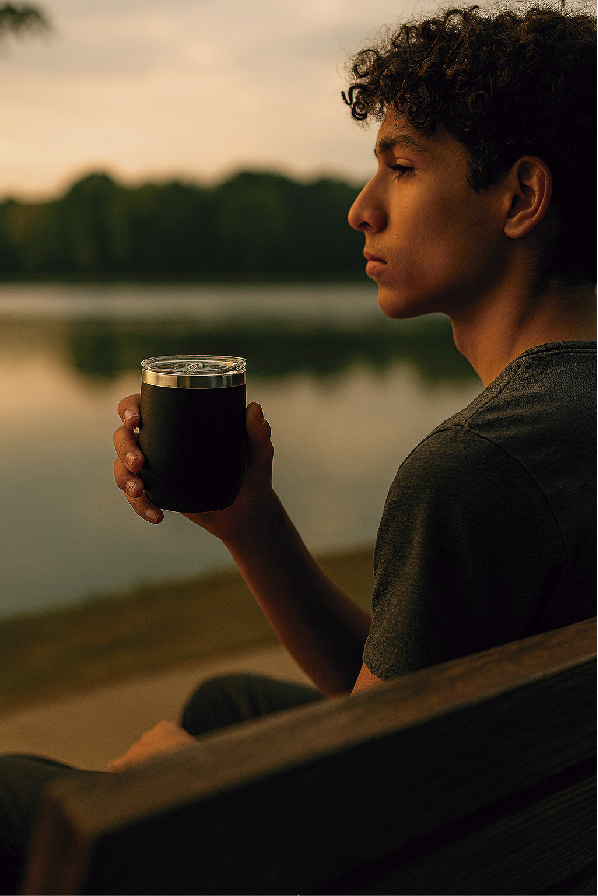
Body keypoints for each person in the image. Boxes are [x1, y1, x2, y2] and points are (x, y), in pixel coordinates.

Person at [0, 4, 595, 891]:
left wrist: (182, 780)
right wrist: (251, 523)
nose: (362, 210)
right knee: (227, 702)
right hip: (549, 834)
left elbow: (371, 810)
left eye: (401, 167)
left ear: (520, 198)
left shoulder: (479, 468)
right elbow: (406, 697)